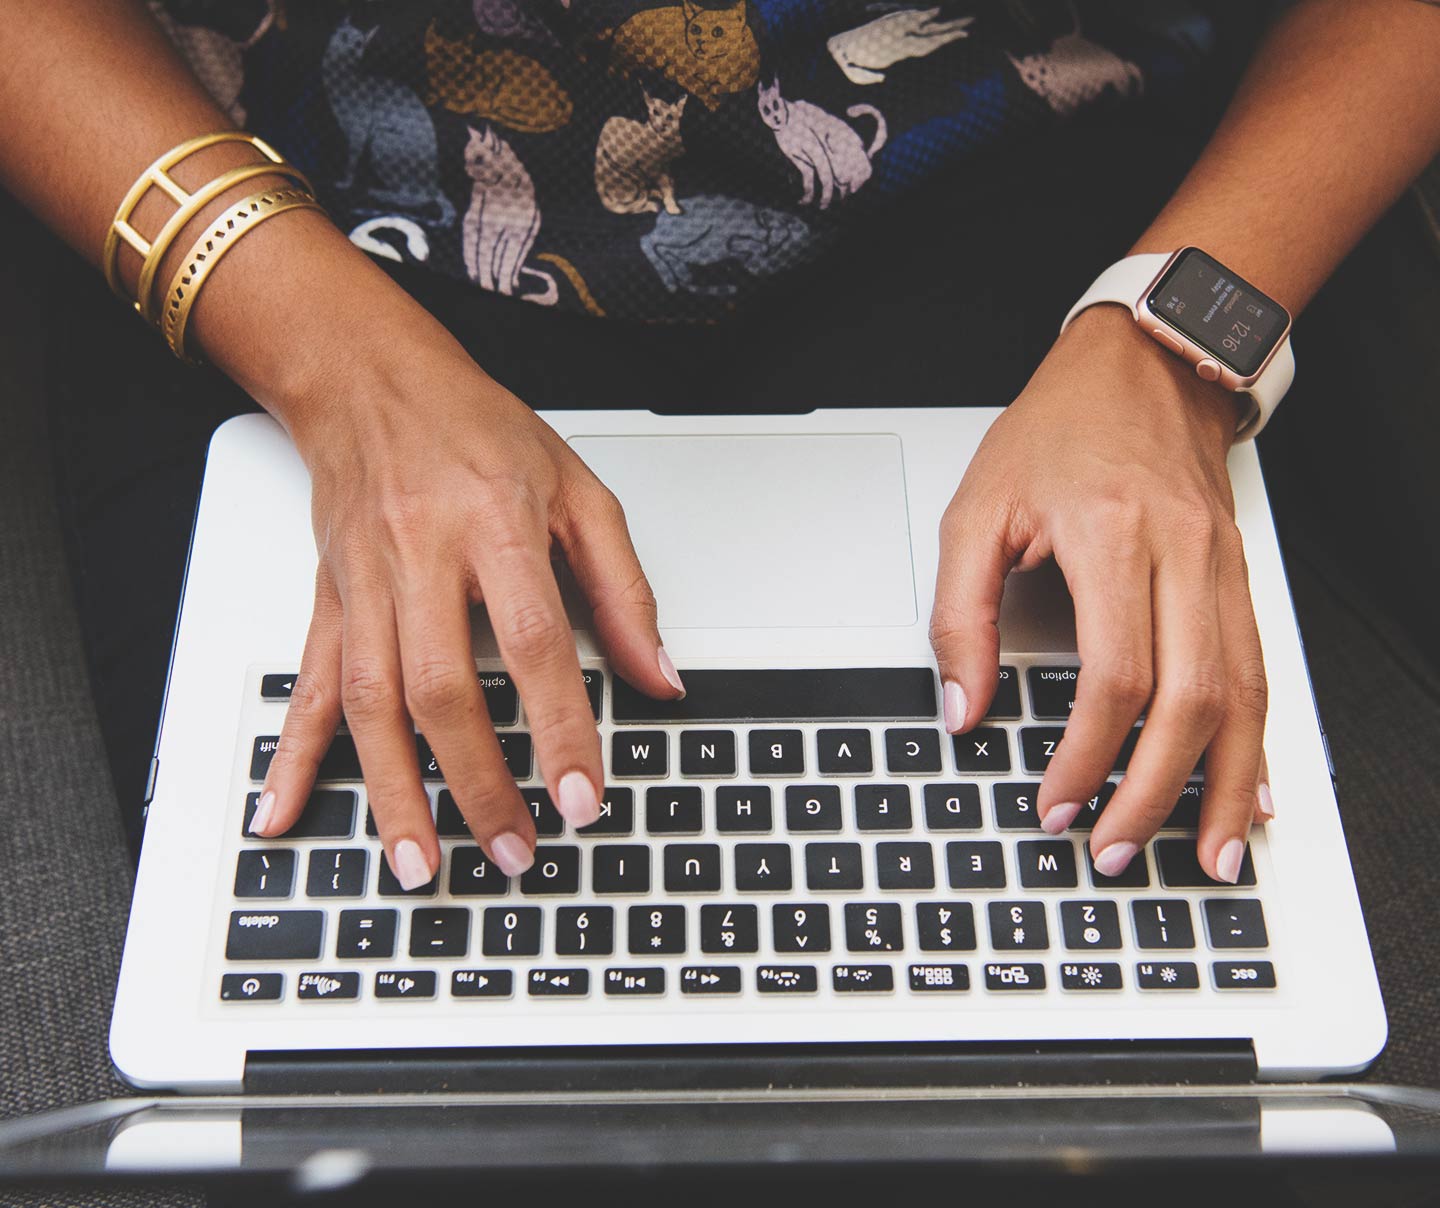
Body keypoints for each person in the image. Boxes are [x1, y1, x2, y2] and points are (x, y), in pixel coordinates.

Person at [2, 0, 1438, 894]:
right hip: (309, 197)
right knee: (377, 976)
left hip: (1029, 167)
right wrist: (336, 365)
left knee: (1092, 994)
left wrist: (1172, 338)